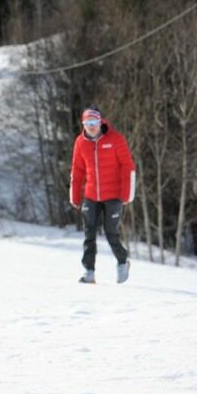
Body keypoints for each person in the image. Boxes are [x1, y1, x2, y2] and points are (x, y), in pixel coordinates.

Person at [70, 106, 136, 285]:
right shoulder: (80, 142)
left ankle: (122, 261)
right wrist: (75, 195)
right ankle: (89, 272)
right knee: (89, 232)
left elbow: (128, 167)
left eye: (94, 122)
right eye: (88, 123)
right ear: (83, 124)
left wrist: (127, 195)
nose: (92, 126)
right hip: (91, 195)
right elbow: (77, 170)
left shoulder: (115, 139)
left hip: (113, 195)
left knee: (110, 232)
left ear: (100, 122)